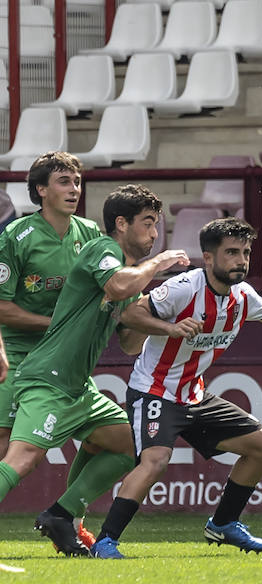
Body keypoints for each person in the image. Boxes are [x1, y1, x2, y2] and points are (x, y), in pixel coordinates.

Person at [89, 217, 262, 559]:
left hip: (194, 395)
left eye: (245, 252)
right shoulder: (183, 288)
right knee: (155, 461)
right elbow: (131, 317)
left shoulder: (243, 295)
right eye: (231, 252)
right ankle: (106, 541)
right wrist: (168, 328)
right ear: (208, 258)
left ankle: (224, 523)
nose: (241, 260)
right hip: (154, 390)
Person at [0, 184, 190, 556]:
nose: (154, 234)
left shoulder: (130, 274)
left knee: (131, 444)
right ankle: (62, 517)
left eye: (156, 226)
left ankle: (62, 515)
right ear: (121, 223)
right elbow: (119, 286)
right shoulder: (102, 250)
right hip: (48, 379)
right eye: (148, 224)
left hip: (79, 388)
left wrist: (168, 321)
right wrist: (159, 263)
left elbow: (129, 341)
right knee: (20, 458)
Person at [0, 152, 105, 547]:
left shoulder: (91, 234)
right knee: (9, 450)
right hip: (22, 359)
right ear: (41, 190)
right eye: (64, 182)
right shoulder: (17, 237)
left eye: (77, 182)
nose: (74, 190)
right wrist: (58, 326)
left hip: (69, 363)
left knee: (111, 440)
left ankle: (67, 518)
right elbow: (1, 305)